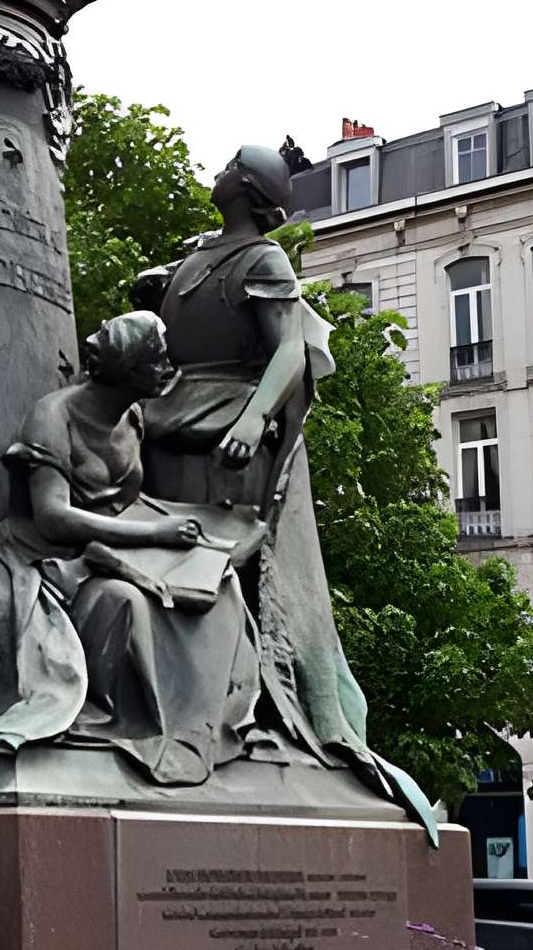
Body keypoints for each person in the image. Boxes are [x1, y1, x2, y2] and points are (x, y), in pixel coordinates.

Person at [135, 146, 438, 831]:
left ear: (244, 188)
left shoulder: (265, 261)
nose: (215, 174)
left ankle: (240, 707)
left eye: (227, 168)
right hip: (170, 421)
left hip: (227, 429)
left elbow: (290, 351)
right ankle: (175, 699)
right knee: (167, 562)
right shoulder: (201, 254)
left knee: (224, 570)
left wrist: (253, 418)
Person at [0, 311, 267, 786]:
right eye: (157, 361)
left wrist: (258, 416)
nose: (168, 369)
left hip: (123, 550)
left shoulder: (133, 415)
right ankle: (144, 725)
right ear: (127, 370)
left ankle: (207, 726)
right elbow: (52, 517)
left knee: (219, 584)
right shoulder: (53, 417)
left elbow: (181, 431)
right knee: (127, 602)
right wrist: (154, 536)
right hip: (59, 561)